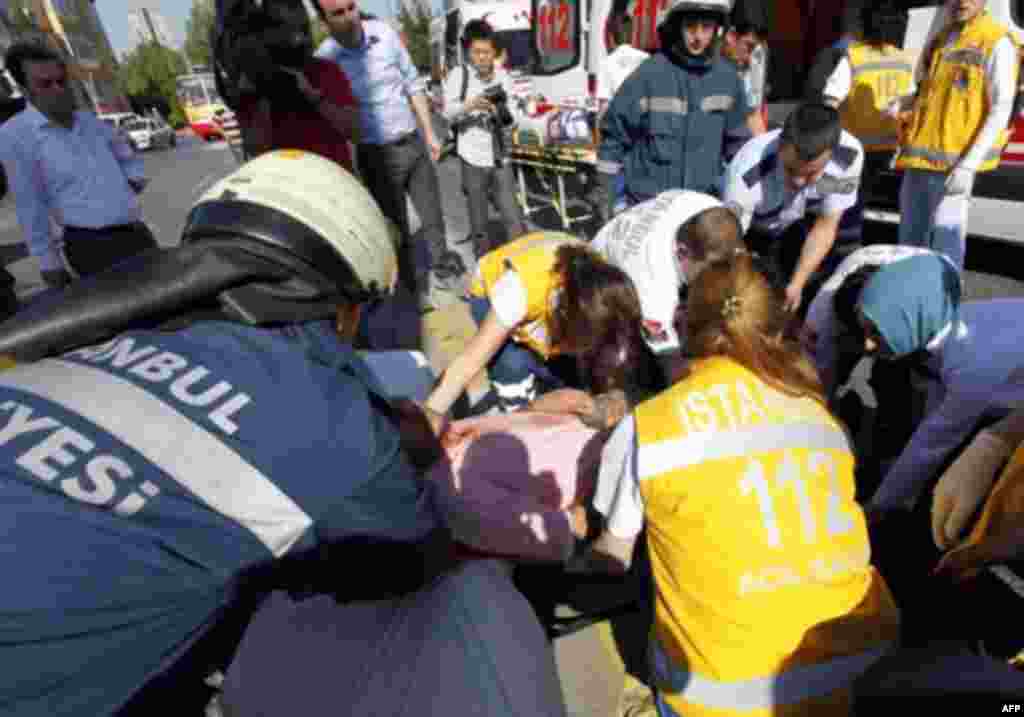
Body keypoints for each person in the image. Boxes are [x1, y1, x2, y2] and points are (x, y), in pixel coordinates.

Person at [0, 150, 564, 716]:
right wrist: (387, 446)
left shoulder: (76, 339)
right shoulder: (335, 428)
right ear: (343, 302)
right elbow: (403, 558)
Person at [572, 252, 899, 716]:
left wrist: (563, 550)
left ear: (686, 323)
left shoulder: (651, 427)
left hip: (717, 696)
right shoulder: (819, 415)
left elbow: (613, 557)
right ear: (776, 326)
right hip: (847, 661)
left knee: (655, 571)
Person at [837, 254, 1024, 515]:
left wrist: (878, 508)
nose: (867, 346)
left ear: (912, 320)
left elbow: (931, 444)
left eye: (876, 333)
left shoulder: (970, 366)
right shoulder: (948, 319)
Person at [313, 0, 465, 301]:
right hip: (376, 157)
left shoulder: (383, 34)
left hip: (412, 142)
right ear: (324, 22)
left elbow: (412, 84)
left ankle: (446, 277)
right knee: (396, 230)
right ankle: (412, 293)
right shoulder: (325, 61)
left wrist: (430, 134)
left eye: (351, 7)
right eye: (338, 13)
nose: (349, 17)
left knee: (433, 218)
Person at [425, 232, 648, 418]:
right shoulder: (518, 291)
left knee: (566, 378)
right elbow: (468, 364)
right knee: (511, 365)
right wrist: (428, 418)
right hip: (493, 291)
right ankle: (516, 408)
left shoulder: (606, 290)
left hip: (558, 300)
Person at [0, 43, 157, 288]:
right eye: (45, 84)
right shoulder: (15, 135)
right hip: (92, 250)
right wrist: (49, 264)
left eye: (62, 81)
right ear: (25, 91)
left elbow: (125, 154)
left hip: (137, 235)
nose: (58, 89)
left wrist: (131, 180)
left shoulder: (89, 121)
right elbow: (29, 203)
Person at [596, 0, 757, 218]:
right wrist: (609, 203)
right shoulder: (648, 76)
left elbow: (741, 151)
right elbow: (613, 141)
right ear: (676, 25)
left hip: (701, 211)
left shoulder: (728, 80)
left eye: (706, 27)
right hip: (647, 211)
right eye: (691, 26)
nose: (698, 36)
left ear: (718, 29)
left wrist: (746, 200)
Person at [892, 0, 1019, 272]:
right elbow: (927, 91)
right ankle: (911, 306)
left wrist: (969, 165)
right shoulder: (942, 39)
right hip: (918, 162)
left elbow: (1001, 106)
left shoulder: (996, 41)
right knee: (909, 246)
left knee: (946, 248)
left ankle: (945, 311)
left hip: (954, 166)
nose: (962, 1)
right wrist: (903, 105)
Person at [590, 189, 744, 384]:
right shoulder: (654, 290)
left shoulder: (706, 206)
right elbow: (672, 365)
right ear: (682, 252)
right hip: (600, 283)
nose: (719, 275)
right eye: (712, 268)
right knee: (620, 362)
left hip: (627, 244)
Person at [723, 102, 864, 313]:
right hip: (750, 231)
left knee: (802, 294)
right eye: (790, 169)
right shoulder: (747, 172)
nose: (798, 181)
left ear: (832, 153)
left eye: (811, 173)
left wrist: (797, 284)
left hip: (800, 222)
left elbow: (826, 225)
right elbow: (730, 244)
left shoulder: (850, 155)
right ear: (780, 146)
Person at [230, 0, 361, 169]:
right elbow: (255, 148)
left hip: (335, 183)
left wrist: (315, 97)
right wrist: (264, 90)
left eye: (302, 28)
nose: (298, 38)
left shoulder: (326, 70)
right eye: (286, 28)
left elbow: (355, 131)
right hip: (289, 188)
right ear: (266, 32)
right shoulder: (253, 81)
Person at [442, 19, 526, 259]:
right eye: (476, 52)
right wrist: (469, 106)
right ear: (468, 52)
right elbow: (447, 113)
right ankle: (483, 269)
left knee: (513, 217)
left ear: (494, 52)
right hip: (472, 157)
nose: (482, 58)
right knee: (479, 223)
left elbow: (515, 117)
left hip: (500, 157)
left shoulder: (504, 77)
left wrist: (501, 113)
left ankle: (521, 265)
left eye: (487, 52)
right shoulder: (460, 75)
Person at [720, 16, 768, 135]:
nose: (749, 57)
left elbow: (754, 115)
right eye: (748, 46)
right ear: (731, 36)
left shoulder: (754, 59)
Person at [595, 14, 649, 117]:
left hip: (619, 124)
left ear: (611, 37)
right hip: (643, 121)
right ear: (633, 35)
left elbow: (604, 105)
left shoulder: (607, 63)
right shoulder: (646, 59)